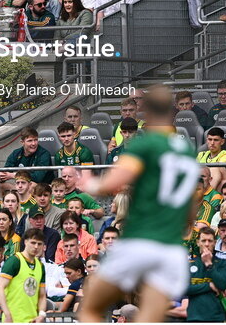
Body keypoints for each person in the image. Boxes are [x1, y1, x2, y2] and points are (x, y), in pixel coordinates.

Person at [77, 86, 200, 323]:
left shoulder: (146, 144)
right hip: (172, 249)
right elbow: (190, 208)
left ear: (144, 112)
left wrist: (88, 183)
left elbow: (112, 183)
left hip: (141, 241)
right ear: (173, 112)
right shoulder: (186, 151)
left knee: (90, 309)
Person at [0, 228, 48, 323]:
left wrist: (41, 314)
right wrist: (7, 314)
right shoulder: (14, 261)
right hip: (13, 320)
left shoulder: (40, 266)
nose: (36, 247)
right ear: (25, 242)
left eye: (39, 244)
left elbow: (42, 295)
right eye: (33, 243)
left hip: (32, 321)